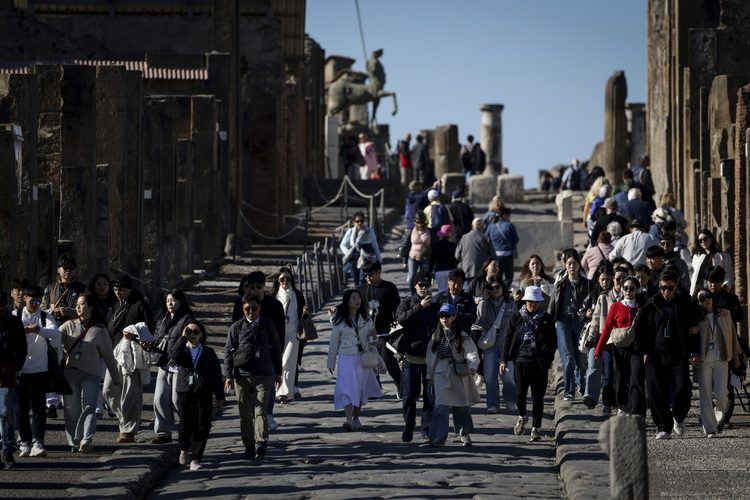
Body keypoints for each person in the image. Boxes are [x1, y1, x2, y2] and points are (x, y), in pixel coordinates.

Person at [634, 270, 699, 439]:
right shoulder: (651, 304)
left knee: (684, 387)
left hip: (678, 354)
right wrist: (645, 353)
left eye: (670, 288)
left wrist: (694, 351)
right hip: (655, 354)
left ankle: (678, 416)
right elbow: (641, 331)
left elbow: (695, 330)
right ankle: (663, 426)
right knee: (656, 391)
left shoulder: (685, 304)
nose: (666, 292)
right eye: (663, 288)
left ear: (676, 285)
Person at [59, 294, 121, 453]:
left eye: (82, 304)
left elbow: (109, 356)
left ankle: (86, 439)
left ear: (91, 307)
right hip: (70, 373)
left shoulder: (100, 330)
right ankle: (75, 441)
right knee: (71, 410)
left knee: (89, 406)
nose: (78, 307)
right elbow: (54, 339)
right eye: (77, 305)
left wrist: (116, 378)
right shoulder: (68, 326)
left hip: (91, 375)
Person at [224, 292, 282, 460]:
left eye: (254, 308)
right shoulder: (236, 327)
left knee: (260, 410)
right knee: (244, 414)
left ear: (260, 308)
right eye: (247, 309)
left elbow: (276, 350)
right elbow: (228, 353)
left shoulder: (268, 325)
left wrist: (278, 373)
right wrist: (228, 376)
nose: (251, 312)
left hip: (263, 375)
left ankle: (261, 444)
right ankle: (249, 446)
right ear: (243, 309)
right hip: (241, 377)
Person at [501, 286, 557, 442]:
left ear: (539, 302)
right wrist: (504, 359)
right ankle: (523, 415)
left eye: (535, 301)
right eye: (529, 301)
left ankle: (536, 429)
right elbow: (508, 339)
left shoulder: (546, 318)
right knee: (519, 394)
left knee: (538, 397)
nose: (532, 304)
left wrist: (549, 358)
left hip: (539, 361)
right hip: (521, 360)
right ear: (525, 301)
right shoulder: (516, 317)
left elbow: (553, 341)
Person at [170, 320, 225, 470]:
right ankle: (184, 448)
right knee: (185, 424)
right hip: (185, 391)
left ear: (201, 334)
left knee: (203, 425)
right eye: (189, 332)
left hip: (204, 391)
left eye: (196, 332)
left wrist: (220, 396)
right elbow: (174, 355)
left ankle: (196, 458)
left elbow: (216, 374)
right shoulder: (182, 349)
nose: (192, 334)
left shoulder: (209, 352)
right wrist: (182, 338)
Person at [13, 285, 60, 459]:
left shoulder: (44, 316)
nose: (35, 305)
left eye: (38, 302)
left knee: (39, 407)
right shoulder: (15, 315)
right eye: (32, 301)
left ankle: (38, 442)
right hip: (20, 369)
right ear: (24, 298)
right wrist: (21, 331)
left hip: (40, 369)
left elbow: (54, 332)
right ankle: (24, 443)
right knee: (21, 408)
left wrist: (37, 329)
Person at [326, 290, 381, 431]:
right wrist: (330, 362)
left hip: (362, 358)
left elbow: (372, 341)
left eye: (358, 298)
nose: (357, 300)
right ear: (347, 302)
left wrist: (374, 336)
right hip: (346, 357)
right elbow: (334, 343)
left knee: (360, 389)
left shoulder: (366, 319)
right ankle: (348, 419)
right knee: (346, 388)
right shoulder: (339, 320)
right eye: (354, 298)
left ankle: (356, 418)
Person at [426, 304, 480, 447]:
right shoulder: (436, 336)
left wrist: (473, 366)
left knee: (461, 406)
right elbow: (430, 359)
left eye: (447, 316)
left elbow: (471, 352)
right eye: (441, 316)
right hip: (440, 372)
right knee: (441, 406)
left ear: (454, 316)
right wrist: (429, 378)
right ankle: (439, 436)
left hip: (458, 372)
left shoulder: (462, 335)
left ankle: (464, 434)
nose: (444, 319)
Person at [395, 270, 439, 443]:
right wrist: (419, 307)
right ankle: (409, 425)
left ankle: (426, 430)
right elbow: (401, 320)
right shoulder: (407, 303)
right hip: (411, 357)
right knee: (408, 396)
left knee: (430, 397)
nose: (424, 289)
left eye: (427, 286)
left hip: (429, 358)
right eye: (421, 285)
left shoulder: (435, 306)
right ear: (415, 286)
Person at [42, 253, 87, 417]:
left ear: (75, 270)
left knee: (71, 368)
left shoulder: (81, 289)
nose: (67, 271)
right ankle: (51, 404)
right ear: (58, 269)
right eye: (64, 268)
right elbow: (41, 309)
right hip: (53, 331)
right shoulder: (49, 288)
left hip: (75, 333)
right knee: (52, 367)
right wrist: (51, 312)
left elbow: (88, 311)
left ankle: (71, 403)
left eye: (71, 268)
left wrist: (71, 312)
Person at [595, 276, 647, 417]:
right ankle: (623, 407)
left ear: (637, 290)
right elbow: (606, 328)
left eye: (631, 288)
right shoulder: (616, 306)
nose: (627, 291)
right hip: (620, 348)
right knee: (619, 379)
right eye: (625, 288)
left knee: (636, 378)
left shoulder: (642, 307)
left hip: (637, 348)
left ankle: (637, 411)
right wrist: (598, 350)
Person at [693, 287, 741, 437]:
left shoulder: (725, 314)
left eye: (708, 296)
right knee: (705, 394)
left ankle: (718, 417)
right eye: (702, 298)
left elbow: (733, 335)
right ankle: (709, 427)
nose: (706, 300)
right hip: (704, 360)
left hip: (722, 358)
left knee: (722, 394)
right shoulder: (696, 318)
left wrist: (736, 356)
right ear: (698, 302)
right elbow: (691, 340)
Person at [150, 289, 195, 444]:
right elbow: (158, 339)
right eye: (168, 300)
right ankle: (163, 433)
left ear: (181, 302)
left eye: (174, 300)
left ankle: (188, 429)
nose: (170, 303)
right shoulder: (162, 318)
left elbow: (189, 341)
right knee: (159, 399)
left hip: (181, 366)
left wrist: (176, 356)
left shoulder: (187, 319)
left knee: (178, 401)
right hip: (164, 365)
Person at [548, 249, 592, 401]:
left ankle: (581, 384)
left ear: (579, 265)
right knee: (567, 358)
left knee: (581, 359)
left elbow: (592, 303)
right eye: (569, 263)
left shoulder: (587, 284)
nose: (572, 266)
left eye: (574, 263)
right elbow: (553, 304)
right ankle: (568, 391)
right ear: (565, 265)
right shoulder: (560, 284)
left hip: (580, 323)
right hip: (563, 323)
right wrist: (549, 322)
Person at [246, 271, 285, 431]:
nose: (255, 290)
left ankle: (267, 414)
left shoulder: (274, 305)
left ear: (265, 286)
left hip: (268, 351)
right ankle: (255, 415)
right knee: (249, 387)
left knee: (268, 385)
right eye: (252, 287)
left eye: (259, 287)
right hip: (246, 353)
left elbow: (280, 332)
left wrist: (278, 353)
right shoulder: (240, 303)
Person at [357, 260, 402, 399]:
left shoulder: (389, 288)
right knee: (369, 362)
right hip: (367, 333)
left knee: (388, 359)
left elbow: (398, 309)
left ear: (378, 272)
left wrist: (397, 328)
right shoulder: (361, 289)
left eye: (370, 275)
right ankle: (375, 389)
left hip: (385, 332)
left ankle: (401, 384)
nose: (368, 278)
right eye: (365, 275)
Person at [581, 262, 621, 414]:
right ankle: (602, 401)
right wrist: (591, 336)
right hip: (604, 340)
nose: (605, 282)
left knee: (619, 373)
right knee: (603, 372)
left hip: (622, 339)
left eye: (608, 279)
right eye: (602, 279)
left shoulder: (626, 296)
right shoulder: (601, 297)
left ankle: (619, 402)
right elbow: (596, 320)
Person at [474, 278, 518, 413]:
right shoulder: (486, 303)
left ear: (503, 288)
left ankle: (510, 400)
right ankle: (492, 403)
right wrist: (484, 300)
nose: (495, 290)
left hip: (506, 344)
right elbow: (479, 318)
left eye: (497, 287)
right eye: (491, 288)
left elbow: (516, 324)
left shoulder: (511, 304)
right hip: (490, 344)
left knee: (508, 375)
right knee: (490, 375)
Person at [270, 267, 308, 404]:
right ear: (277, 280)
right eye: (282, 279)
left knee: (288, 362)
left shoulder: (298, 295)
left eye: (288, 279)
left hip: (293, 333)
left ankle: (285, 393)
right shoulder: (273, 296)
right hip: (277, 333)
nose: (285, 281)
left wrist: (305, 313)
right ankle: (278, 389)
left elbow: (303, 316)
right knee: (278, 361)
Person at [0, 291, 27, 470]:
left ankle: (7, 449)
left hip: (7, 370)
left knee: (5, 412)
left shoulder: (14, 321)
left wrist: (17, 366)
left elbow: (22, 347)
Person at [399, 179, 439, 269]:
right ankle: (405, 260)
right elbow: (424, 195)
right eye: (420, 186)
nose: (421, 187)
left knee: (407, 244)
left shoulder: (410, 196)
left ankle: (405, 260)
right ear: (416, 187)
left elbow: (423, 194)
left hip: (410, 224)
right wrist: (433, 187)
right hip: (414, 226)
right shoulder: (417, 197)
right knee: (407, 243)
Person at [340, 211, 382, 287]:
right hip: (354, 258)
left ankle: (364, 296)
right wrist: (348, 253)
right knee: (356, 281)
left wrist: (379, 259)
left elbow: (375, 245)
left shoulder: (369, 231)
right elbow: (342, 245)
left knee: (363, 280)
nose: (360, 223)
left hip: (366, 258)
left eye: (361, 221)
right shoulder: (350, 232)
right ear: (353, 222)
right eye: (357, 221)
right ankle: (358, 296)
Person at [433, 268, 477, 336]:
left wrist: (457, 316)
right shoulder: (439, 298)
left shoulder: (468, 299)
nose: (456, 287)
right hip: (443, 335)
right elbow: (433, 317)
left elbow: (473, 317)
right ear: (448, 281)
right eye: (453, 283)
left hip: (462, 336)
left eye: (459, 284)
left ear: (463, 284)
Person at [689, 229, 734, 295]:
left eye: (705, 239)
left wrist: (726, 284)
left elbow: (729, 273)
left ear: (711, 239)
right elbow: (693, 276)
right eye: (700, 241)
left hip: (717, 288)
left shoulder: (723, 256)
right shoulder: (697, 257)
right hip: (700, 289)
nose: (703, 242)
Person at [454, 217, 495, 290]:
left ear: (472, 226)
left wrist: (462, 260)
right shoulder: (486, 238)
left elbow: (457, 255)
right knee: (480, 292)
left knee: (468, 291)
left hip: (467, 269)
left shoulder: (464, 237)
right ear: (482, 227)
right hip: (482, 270)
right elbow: (493, 256)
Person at [486, 207, 519, 289]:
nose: (508, 218)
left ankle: (497, 291)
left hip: (495, 255)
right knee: (509, 276)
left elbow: (486, 239)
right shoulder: (509, 225)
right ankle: (503, 289)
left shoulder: (491, 226)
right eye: (508, 216)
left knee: (497, 276)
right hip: (507, 255)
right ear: (504, 215)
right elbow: (516, 239)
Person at [407, 212, 431, 297]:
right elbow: (405, 244)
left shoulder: (430, 230)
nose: (420, 224)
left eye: (422, 222)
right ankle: (414, 296)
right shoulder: (411, 230)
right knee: (412, 278)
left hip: (425, 258)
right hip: (413, 257)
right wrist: (403, 260)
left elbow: (434, 245)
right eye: (418, 222)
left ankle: (424, 295)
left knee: (425, 279)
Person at [429, 225, 458, 293]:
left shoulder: (437, 245)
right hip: (451, 270)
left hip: (439, 270)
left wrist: (430, 270)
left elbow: (432, 259)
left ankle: (440, 303)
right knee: (450, 291)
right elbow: (457, 259)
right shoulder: (453, 245)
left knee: (441, 289)